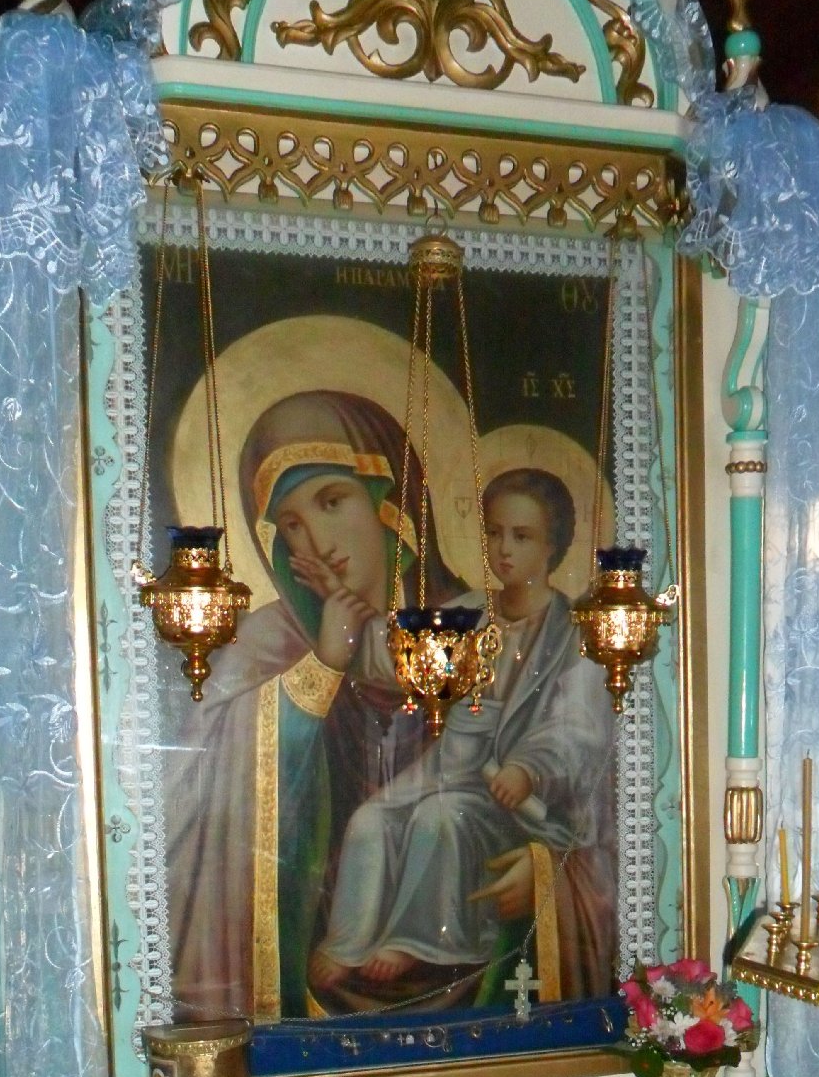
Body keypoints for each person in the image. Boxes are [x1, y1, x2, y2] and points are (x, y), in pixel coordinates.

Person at [165, 388, 462, 1019]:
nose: (317, 540)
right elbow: (202, 789)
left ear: (392, 506)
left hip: (459, 932)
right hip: (310, 933)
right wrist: (324, 661)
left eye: (332, 501)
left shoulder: (466, 630)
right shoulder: (267, 642)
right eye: (291, 523)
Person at [309, 468, 616, 1000]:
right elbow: (402, 654)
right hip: (450, 767)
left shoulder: (573, 635)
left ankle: (417, 940)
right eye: (495, 533)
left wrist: (529, 768)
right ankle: (348, 942)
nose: (504, 549)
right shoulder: (471, 612)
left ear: (553, 547)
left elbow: (578, 730)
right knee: (369, 821)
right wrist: (344, 612)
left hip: (511, 800)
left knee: (440, 819)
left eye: (522, 536)